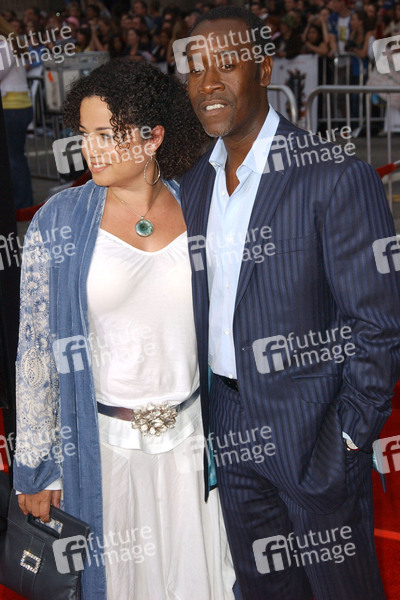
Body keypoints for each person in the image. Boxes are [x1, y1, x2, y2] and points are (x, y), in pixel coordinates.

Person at [179, 6, 400, 600]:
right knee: (263, 589)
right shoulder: (194, 183)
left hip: (315, 437)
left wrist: (348, 438)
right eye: (196, 69)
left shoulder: (333, 175)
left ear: (263, 69)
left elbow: (379, 324)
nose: (208, 83)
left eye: (226, 64)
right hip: (228, 427)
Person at [14, 59, 235, 600]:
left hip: (192, 446)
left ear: (153, 138)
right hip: (104, 453)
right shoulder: (59, 220)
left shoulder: (202, 204)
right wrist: (38, 469)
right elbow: (36, 352)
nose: (90, 150)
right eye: (84, 134)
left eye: (107, 136)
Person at [0, 15, 34, 210]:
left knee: (14, 158)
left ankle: (21, 204)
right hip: (16, 106)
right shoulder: (10, 43)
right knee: (15, 157)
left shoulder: (5, 45)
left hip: (12, 108)